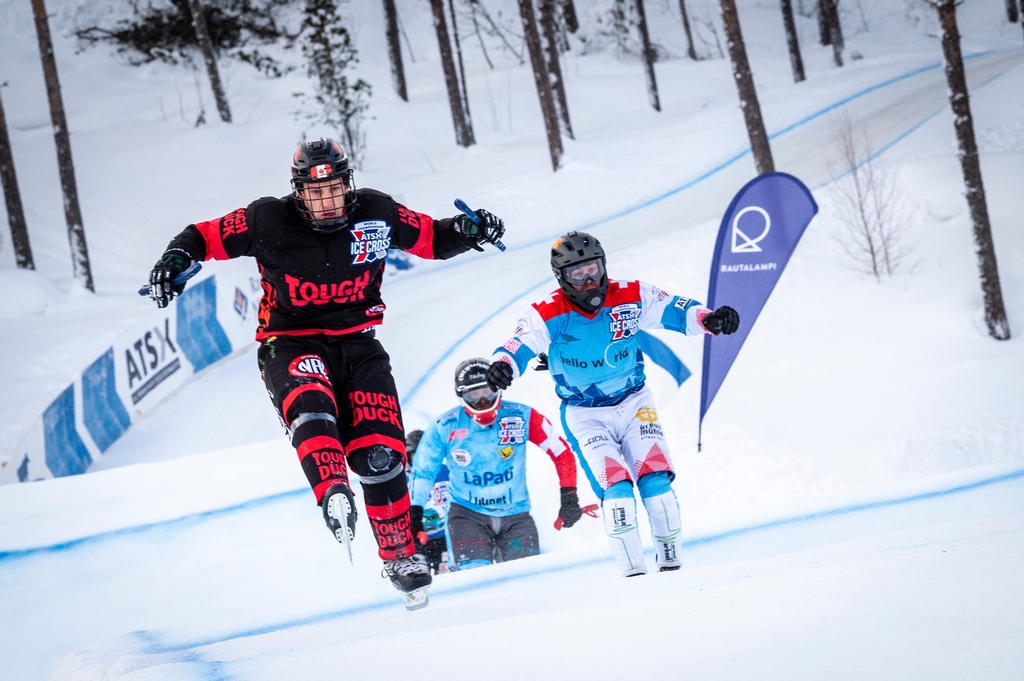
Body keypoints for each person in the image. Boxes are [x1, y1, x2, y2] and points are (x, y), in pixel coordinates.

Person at [146, 138, 505, 606]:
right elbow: (204, 236)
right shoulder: (266, 220)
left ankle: (399, 555)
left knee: (381, 456)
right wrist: (175, 257)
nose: (327, 203)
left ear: (348, 184)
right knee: (314, 407)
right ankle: (332, 489)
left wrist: (469, 229)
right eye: (315, 195)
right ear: (298, 194)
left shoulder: (377, 212)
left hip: (359, 346)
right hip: (289, 342)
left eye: (334, 190)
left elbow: (434, 239)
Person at [484, 231, 739, 577]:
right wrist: (503, 365)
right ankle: (634, 578)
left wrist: (708, 318)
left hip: (635, 403)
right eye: (577, 274)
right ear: (562, 278)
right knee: (617, 494)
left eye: (593, 269)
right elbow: (518, 345)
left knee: (657, 489)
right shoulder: (547, 311)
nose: (589, 280)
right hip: (585, 415)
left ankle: (673, 569)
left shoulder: (631, 294)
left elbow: (675, 309)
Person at [407, 358, 584, 571]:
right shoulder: (444, 426)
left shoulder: (523, 416)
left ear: (498, 388)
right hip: (466, 517)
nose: (482, 400)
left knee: (527, 580)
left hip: (516, 515)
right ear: (461, 395)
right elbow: (423, 471)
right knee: (473, 583)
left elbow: (561, 452)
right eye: (473, 394)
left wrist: (569, 497)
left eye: (488, 391)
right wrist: (414, 514)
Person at [403, 429, 449, 574]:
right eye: (416, 455)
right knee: (418, 576)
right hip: (417, 540)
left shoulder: (447, 471)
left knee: (450, 574)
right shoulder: (402, 480)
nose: (422, 460)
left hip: (447, 536)